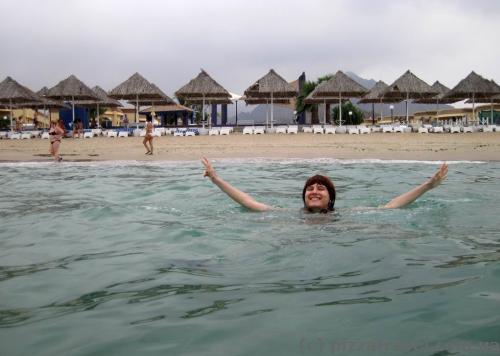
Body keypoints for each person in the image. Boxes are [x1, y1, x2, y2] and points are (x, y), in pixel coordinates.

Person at [201, 157, 449, 212]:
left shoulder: (346, 216)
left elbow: (390, 206)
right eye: (310, 188)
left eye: (320, 188)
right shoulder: (289, 216)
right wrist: (216, 179)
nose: (314, 191)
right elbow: (248, 201)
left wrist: (427, 185)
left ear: (331, 198)